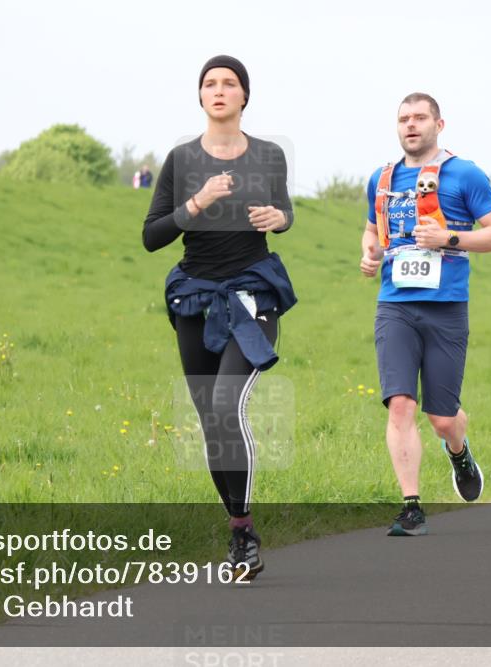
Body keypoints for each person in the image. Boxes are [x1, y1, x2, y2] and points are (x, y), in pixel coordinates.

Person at [142, 55, 296, 580]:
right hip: (195, 296)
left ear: (244, 96)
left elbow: (284, 212)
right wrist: (197, 203)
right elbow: (151, 235)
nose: (220, 90)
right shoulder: (181, 160)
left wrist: (281, 218)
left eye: (230, 83)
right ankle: (239, 531)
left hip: (253, 294)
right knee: (211, 422)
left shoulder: (270, 155)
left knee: (228, 404)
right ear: (201, 96)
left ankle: (245, 533)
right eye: (210, 83)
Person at [360, 93, 491, 536]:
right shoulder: (381, 178)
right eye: (404, 118)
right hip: (395, 306)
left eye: (420, 118)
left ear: (439, 125)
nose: (411, 125)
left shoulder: (463, 173)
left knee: (442, 418)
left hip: (446, 307)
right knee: (400, 404)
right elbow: (372, 233)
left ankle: (459, 451)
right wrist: (369, 255)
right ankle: (411, 508)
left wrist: (448, 239)